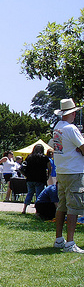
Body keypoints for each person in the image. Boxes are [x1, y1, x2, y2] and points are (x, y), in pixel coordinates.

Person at [52, 98, 84, 253]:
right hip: (74, 171)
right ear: (72, 113)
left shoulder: (57, 127)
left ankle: (59, 239)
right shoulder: (72, 129)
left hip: (62, 170)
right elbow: (82, 147)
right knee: (74, 207)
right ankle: (70, 243)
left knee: (62, 205)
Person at [22, 144, 51, 214]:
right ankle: (37, 211)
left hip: (30, 178)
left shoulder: (29, 157)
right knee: (39, 195)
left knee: (29, 193)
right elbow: (49, 168)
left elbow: (24, 167)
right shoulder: (45, 158)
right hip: (40, 178)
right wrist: (48, 176)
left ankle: (24, 209)